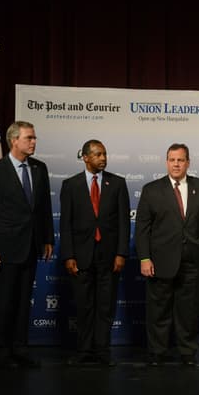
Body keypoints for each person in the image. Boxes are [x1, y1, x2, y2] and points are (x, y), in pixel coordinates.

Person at [0, 121, 54, 368]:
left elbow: (44, 209)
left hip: (31, 247)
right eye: (29, 138)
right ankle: (2, 352)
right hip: (3, 250)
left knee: (23, 302)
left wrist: (48, 239)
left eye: (34, 138)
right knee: (4, 303)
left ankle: (20, 349)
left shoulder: (40, 169)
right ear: (14, 140)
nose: (33, 142)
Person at [135, 143, 199, 366]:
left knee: (189, 311)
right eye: (172, 159)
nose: (176, 164)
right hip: (160, 262)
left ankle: (187, 352)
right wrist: (145, 258)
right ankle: (157, 353)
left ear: (188, 163)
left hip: (194, 261)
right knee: (158, 311)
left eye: (180, 160)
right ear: (166, 162)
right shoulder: (151, 190)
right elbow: (142, 229)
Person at [60, 139, 130, 366]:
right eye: (98, 155)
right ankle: (84, 351)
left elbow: (123, 223)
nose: (103, 158)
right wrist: (69, 255)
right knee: (84, 306)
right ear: (86, 157)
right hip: (81, 256)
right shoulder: (70, 185)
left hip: (109, 257)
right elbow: (66, 225)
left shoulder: (117, 184)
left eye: (105, 154)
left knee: (105, 306)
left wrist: (121, 253)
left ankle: (102, 351)